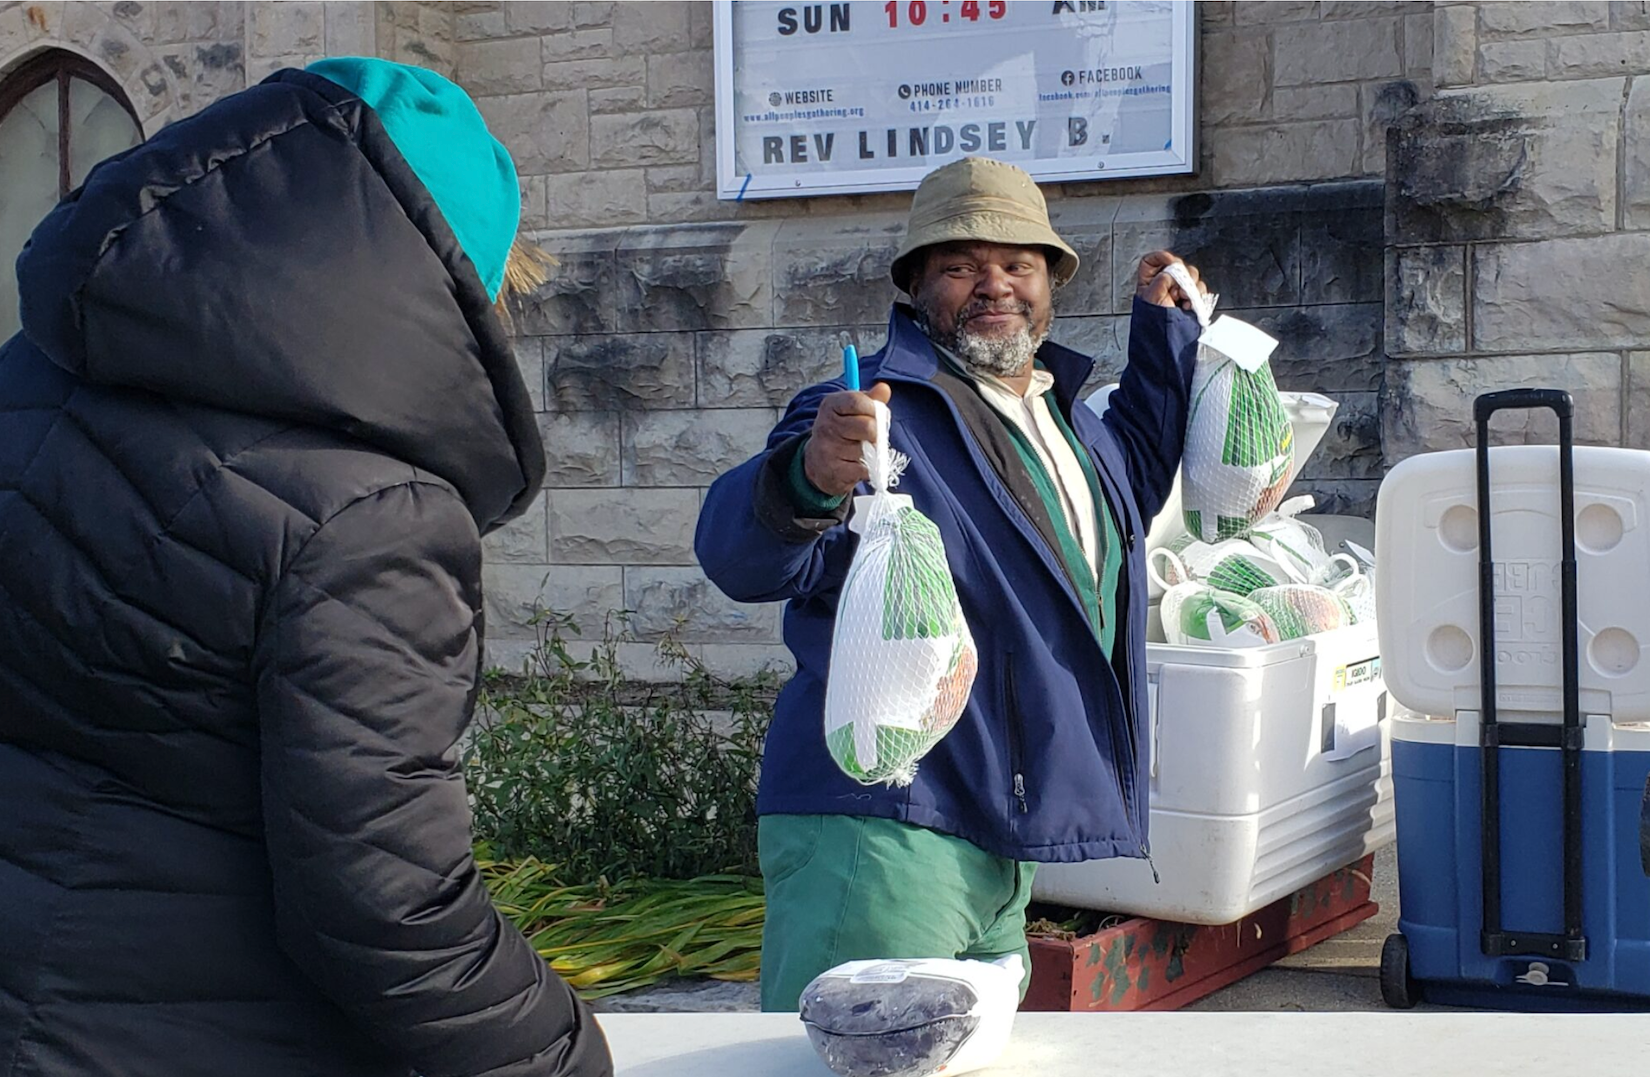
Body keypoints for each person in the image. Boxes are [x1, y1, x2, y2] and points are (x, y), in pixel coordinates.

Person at [0, 60, 610, 1075]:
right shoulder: (367, 515)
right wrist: (563, 1056)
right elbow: (388, 908)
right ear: (449, 279)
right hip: (192, 1031)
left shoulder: (35, 370)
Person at [696, 156, 1207, 1010]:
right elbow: (740, 555)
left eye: (1018, 263)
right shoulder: (874, 411)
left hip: (999, 844)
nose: (994, 284)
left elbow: (1126, 495)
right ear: (916, 284)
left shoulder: (1065, 419)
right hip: (882, 828)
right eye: (961, 265)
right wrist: (810, 474)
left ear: (1050, 283)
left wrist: (1164, 334)